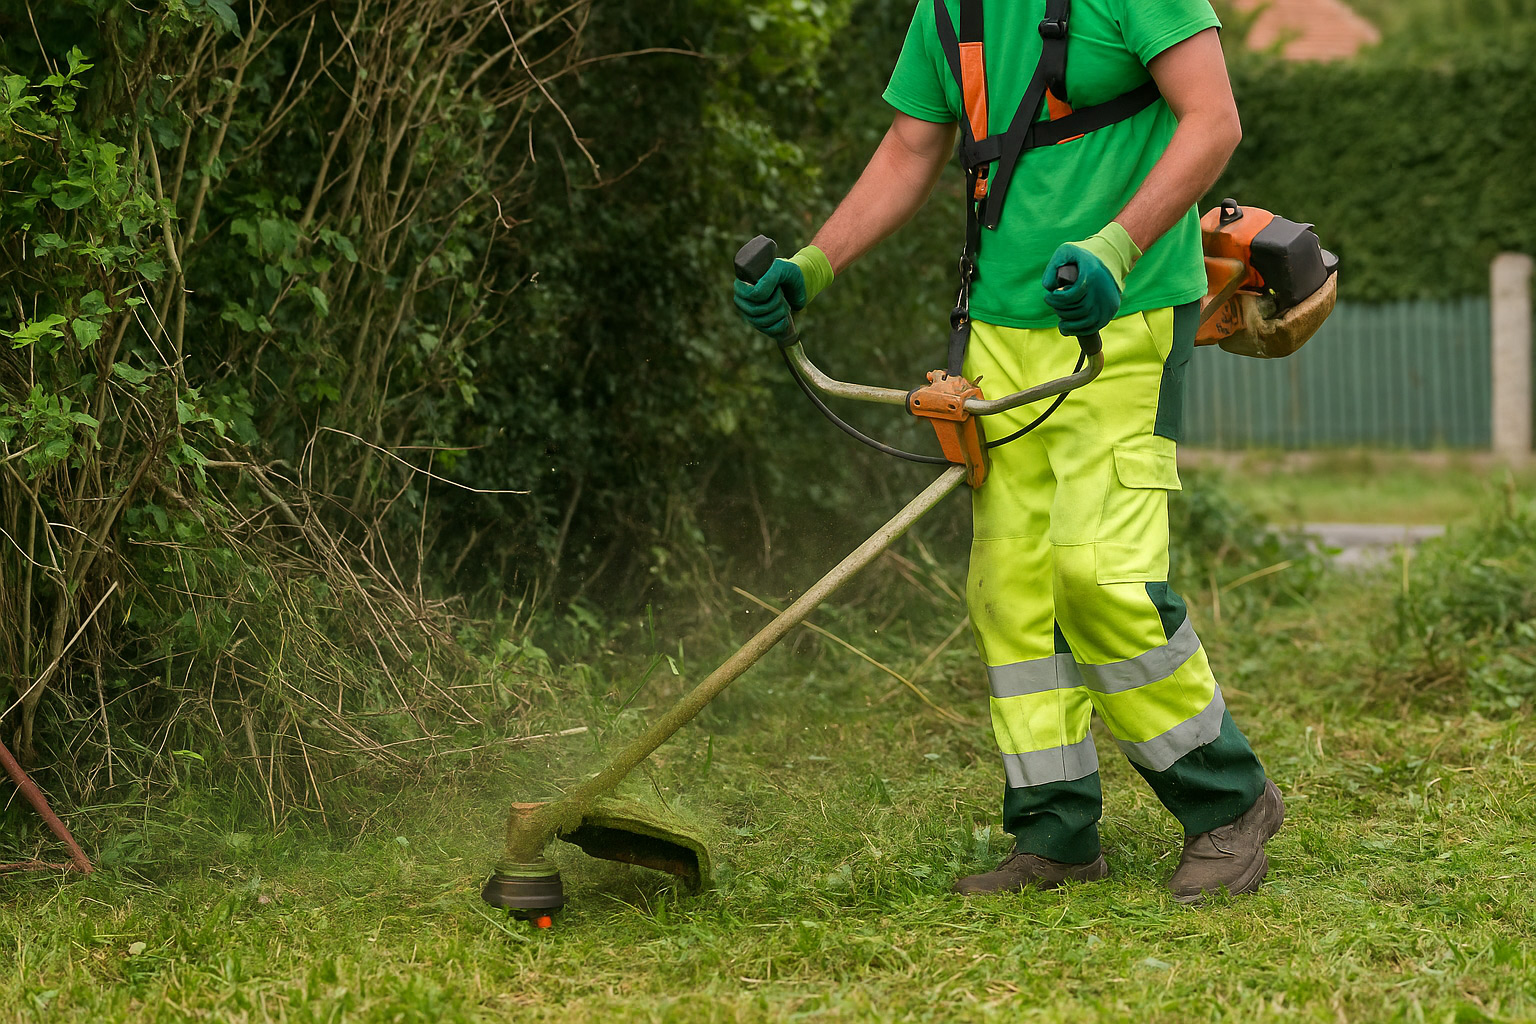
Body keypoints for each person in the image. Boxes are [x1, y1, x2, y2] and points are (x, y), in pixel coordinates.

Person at [733, 0, 1284, 903]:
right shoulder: (948, 9)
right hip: (995, 334)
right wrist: (812, 266)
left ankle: (1230, 802)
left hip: (1127, 318)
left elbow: (1212, 119)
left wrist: (1116, 247)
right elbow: (911, 147)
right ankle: (1055, 834)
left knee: (1098, 577)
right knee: (1011, 589)